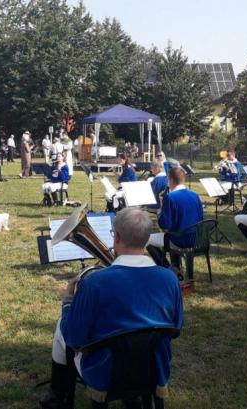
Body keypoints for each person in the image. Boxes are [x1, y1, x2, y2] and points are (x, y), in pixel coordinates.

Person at [38, 208, 183, 409]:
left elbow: (75, 338)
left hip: (105, 370)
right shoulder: (170, 279)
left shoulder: (94, 282)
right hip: (154, 366)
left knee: (62, 328)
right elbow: (176, 327)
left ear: (117, 238)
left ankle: (59, 394)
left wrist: (68, 301)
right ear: (147, 239)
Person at [146, 166, 204, 268]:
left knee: (148, 239)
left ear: (171, 180)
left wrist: (161, 209)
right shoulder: (195, 195)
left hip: (180, 240)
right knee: (173, 231)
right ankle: (176, 266)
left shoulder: (170, 197)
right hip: (197, 239)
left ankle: (168, 268)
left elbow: (164, 224)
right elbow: (201, 217)